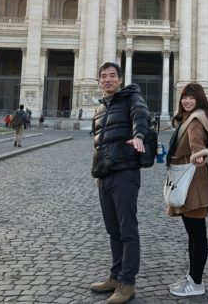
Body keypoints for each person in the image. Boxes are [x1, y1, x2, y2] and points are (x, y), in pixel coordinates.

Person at [89, 62, 151, 304]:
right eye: (103, 76)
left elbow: (141, 117)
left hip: (125, 172)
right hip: (104, 174)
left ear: (120, 79)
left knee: (127, 230)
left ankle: (128, 283)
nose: (107, 80)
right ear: (99, 81)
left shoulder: (132, 98)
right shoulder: (101, 108)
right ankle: (115, 276)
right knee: (112, 229)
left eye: (112, 76)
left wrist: (138, 136)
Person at [166, 83, 208, 297]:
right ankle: (192, 276)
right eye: (184, 97)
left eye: (191, 98)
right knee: (194, 234)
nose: (186, 101)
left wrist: (199, 153)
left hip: (192, 181)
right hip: (191, 178)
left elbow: (196, 142)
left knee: (197, 235)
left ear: (200, 99)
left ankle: (196, 282)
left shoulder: (195, 120)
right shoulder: (193, 118)